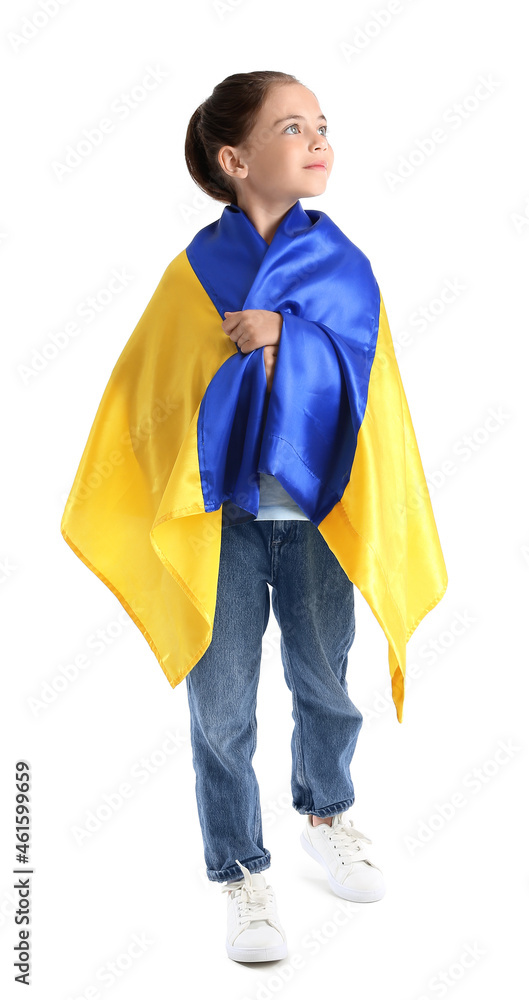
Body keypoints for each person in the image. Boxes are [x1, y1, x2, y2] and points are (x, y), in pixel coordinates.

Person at [184, 70, 386, 964]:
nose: (317, 140)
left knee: (325, 681)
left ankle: (326, 812)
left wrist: (284, 339)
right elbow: (161, 391)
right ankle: (238, 871)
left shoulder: (341, 260)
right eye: (292, 126)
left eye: (322, 126)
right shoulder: (195, 267)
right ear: (236, 159)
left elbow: (363, 373)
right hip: (219, 513)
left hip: (312, 510)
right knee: (219, 704)